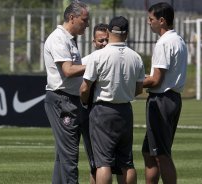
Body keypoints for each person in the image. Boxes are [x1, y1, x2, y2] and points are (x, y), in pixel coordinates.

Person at [80, 16, 145, 184]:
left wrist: (85, 102)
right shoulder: (136, 57)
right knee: (127, 162)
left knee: (103, 162)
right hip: (125, 110)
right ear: (127, 33)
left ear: (108, 32)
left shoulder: (98, 56)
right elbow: (138, 89)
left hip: (103, 110)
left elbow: (85, 88)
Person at [43, 1, 89, 183]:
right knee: (70, 157)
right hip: (62, 100)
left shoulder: (68, 39)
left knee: (63, 156)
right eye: (84, 20)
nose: (87, 24)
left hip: (70, 100)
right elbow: (68, 71)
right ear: (72, 18)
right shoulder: (58, 39)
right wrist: (95, 65)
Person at [142, 2, 187, 184]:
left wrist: (130, 83)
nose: (148, 22)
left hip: (162, 100)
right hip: (171, 99)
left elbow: (155, 80)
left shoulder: (164, 43)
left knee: (161, 154)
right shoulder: (178, 39)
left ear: (161, 21)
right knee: (149, 152)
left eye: (151, 19)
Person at [81, 23, 125, 184]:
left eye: (107, 39)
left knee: (120, 163)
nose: (104, 43)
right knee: (96, 164)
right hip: (92, 114)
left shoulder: (119, 59)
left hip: (112, 113)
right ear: (93, 42)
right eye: (100, 41)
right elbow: (82, 89)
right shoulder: (86, 61)